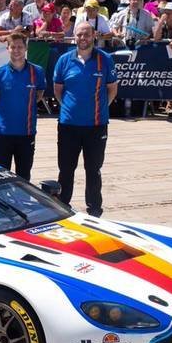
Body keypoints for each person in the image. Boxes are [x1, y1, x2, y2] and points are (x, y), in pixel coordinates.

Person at [53, 22, 118, 217]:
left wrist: (98, 109)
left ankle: (95, 209)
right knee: (65, 169)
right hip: (68, 125)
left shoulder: (105, 60)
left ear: (94, 36)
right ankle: (63, 206)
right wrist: (71, 108)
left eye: (87, 34)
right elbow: (58, 90)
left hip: (96, 126)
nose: (83, 38)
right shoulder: (64, 60)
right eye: (79, 34)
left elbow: (112, 89)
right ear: (74, 36)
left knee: (93, 169)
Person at [0, 32, 43, 180]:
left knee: (24, 175)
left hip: (26, 133)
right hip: (3, 132)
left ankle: (22, 203)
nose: (16, 50)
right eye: (13, 47)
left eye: (20, 47)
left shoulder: (37, 71)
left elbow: (38, 95)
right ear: (8, 49)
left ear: (26, 48)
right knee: (0, 176)